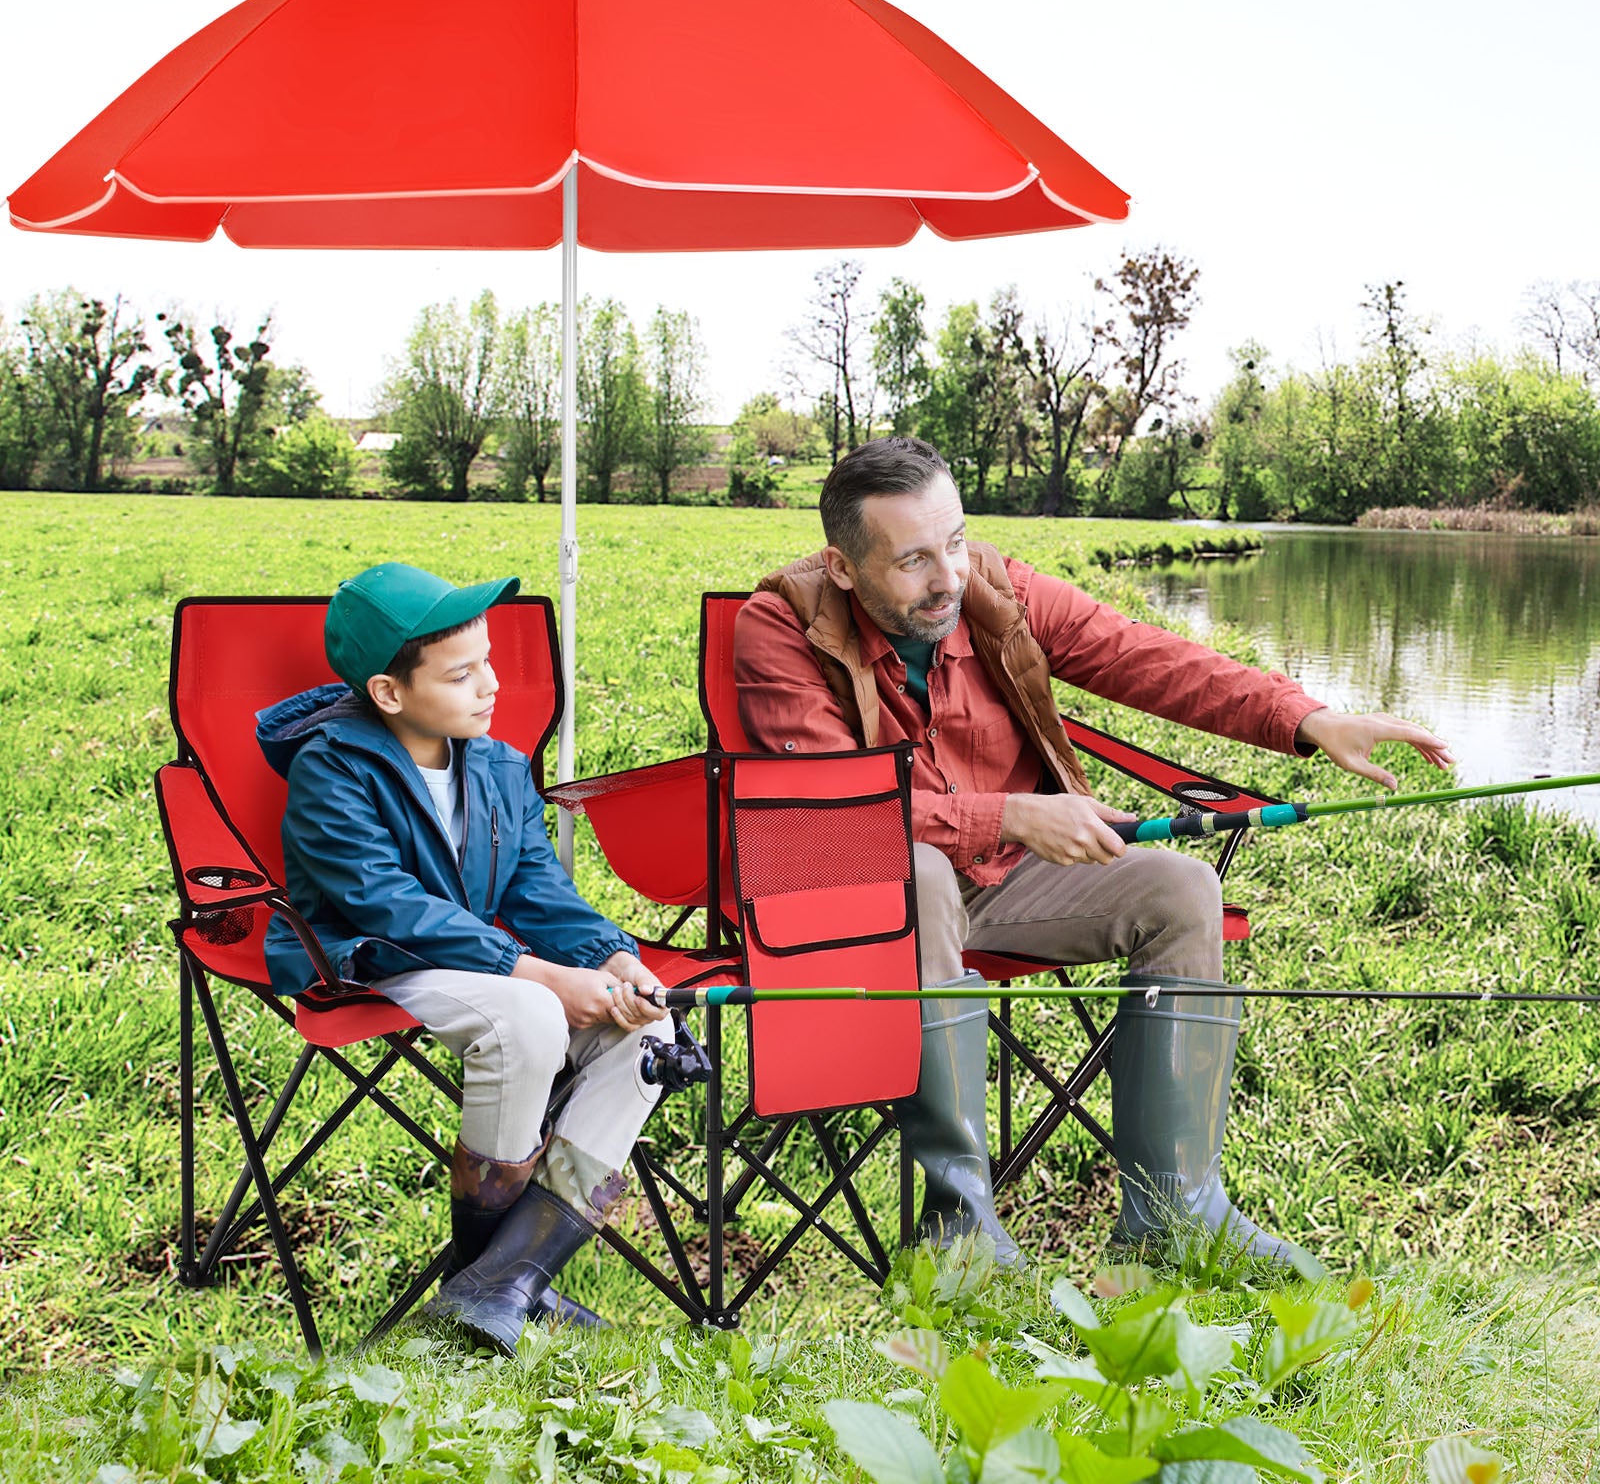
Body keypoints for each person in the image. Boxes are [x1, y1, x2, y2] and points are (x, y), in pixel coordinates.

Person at [733, 437, 1452, 1268]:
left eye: (957, 542)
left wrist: (1305, 718)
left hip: (1001, 880)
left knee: (1181, 891)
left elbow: (1142, 655)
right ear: (845, 566)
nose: (949, 579)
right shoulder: (781, 625)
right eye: (915, 561)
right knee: (921, 873)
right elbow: (843, 815)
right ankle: (958, 1232)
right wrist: (1012, 816)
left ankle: (1175, 1214)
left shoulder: (996, 591)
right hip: (860, 894)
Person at [257, 561, 671, 1352]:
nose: (490, 685)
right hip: (367, 955)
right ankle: (493, 1286)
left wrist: (612, 957)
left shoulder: (497, 765)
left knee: (649, 1038)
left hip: (476, 958)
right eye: (461, 673)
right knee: (527, 1014)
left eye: (488, 661)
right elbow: (384, 901)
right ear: (389, 692)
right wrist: (536, 973)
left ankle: (503, 1283)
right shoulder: (331, 769)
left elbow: (534, 887)